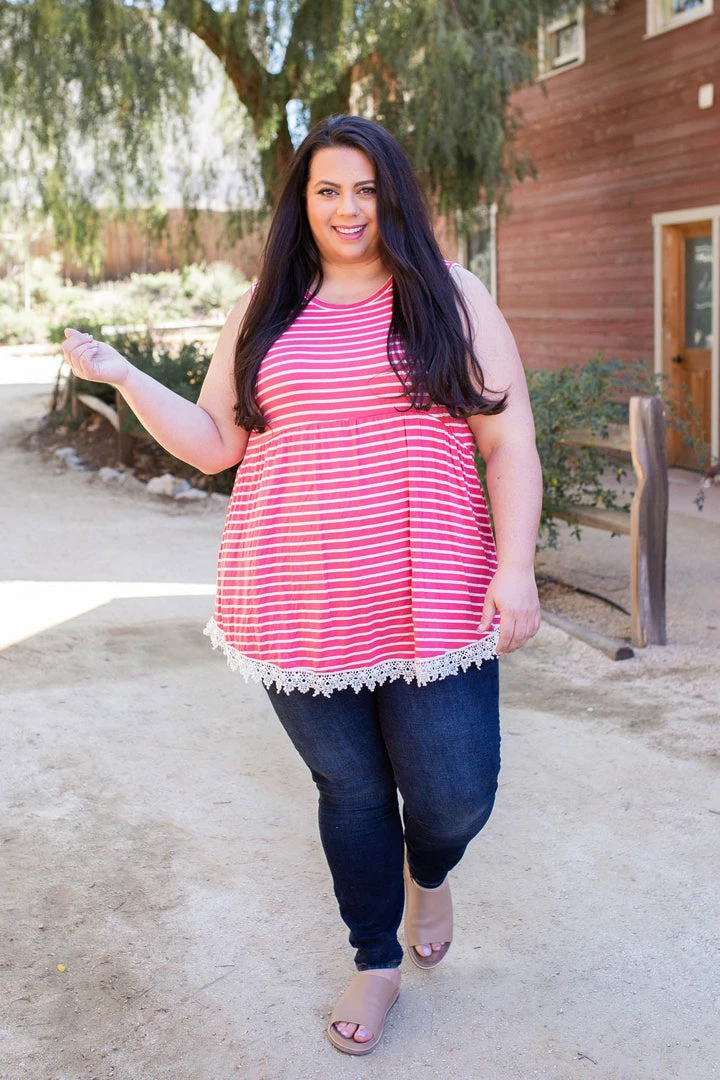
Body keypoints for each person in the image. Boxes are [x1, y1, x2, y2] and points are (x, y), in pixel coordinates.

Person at [63, 114, 542, 1056]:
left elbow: (507, 438)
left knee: (455, 791)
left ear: (392, 193)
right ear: (303, 202)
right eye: (328, 189)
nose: (348, 207)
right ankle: (375, 960)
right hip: (298, 594)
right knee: (353, 791)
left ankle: (430, 872)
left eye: (365, 187)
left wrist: (514, 564)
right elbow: (216, 443)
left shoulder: (451, 295)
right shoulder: (268, 306)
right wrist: (123, 377)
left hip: (434, 589)